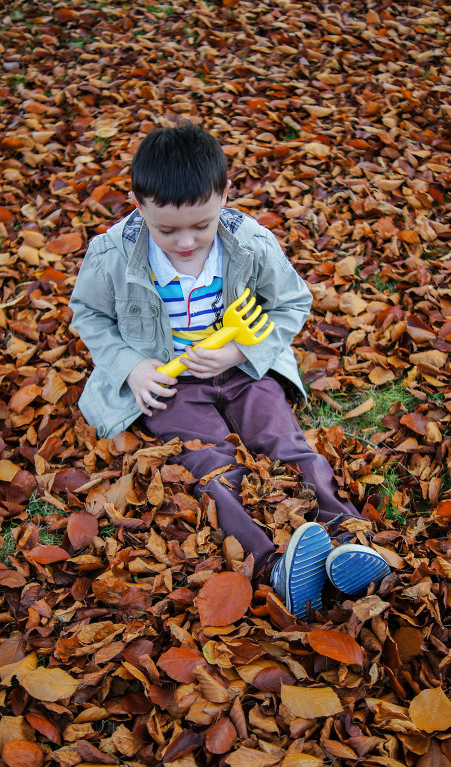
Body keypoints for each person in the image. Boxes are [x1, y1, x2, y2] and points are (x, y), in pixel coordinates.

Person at [69, 124, 390, 618]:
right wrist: (132, 366)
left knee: (283, 441)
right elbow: (89, 314)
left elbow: (291, 304)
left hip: (244, 367)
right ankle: (272, 565)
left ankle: (346, 538)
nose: (185, 241)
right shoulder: (112, 254)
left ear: (223, 194)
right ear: (138, 203)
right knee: (208, 460)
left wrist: (241, 351)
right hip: (171, 382)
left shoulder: (251, 245)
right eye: (167, 230)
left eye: (201, 225)